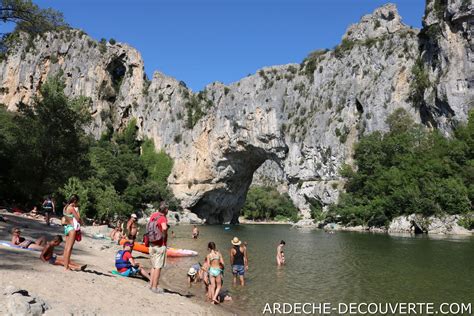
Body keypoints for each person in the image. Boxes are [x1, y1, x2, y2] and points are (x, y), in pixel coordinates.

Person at [148, 202, 169, 294]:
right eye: (167, 209)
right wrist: (164, 236)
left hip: (152, 243)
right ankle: (155, 287)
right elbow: (164, 228)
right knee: (158, 267)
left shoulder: (154, 215)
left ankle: (151, 285)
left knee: (153, 266)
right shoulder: (163, 218)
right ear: (165, 209)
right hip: (160, 245)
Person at [63, 194, 82, 271]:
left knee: (66, 247)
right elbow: (78, 219)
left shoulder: (65, 207)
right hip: (71, 228)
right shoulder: (72, 208)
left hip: (66, 227)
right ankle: (66, 267)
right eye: (77, 202)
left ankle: (65, 265)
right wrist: (78, 211)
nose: (77, 204)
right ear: (74, 201)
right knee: (69, 248)